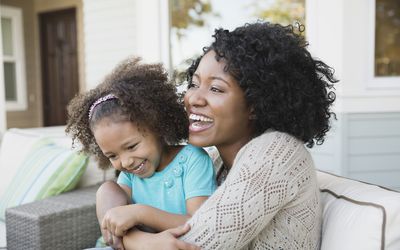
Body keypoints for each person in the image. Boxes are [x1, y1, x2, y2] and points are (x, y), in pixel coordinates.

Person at [119, 21, 337, 250]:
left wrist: (133, 235)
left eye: (216, 89)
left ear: (255, 103)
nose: (193, 99)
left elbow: (193, 244)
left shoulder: (277, 152)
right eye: (194, 84)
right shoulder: (213, 161)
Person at [65, 57, 217, 250]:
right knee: (106, 190)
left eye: (132, 146)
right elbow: (116, 229)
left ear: (157, 126)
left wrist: (140, 213)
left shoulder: (193, 159)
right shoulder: (130, 175)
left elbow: (200, 224)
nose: (126, 162)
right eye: (113, 156)